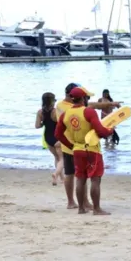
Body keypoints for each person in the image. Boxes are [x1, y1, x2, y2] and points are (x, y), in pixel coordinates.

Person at [55, 87, 114, 215]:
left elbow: (58, 134)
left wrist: (71, 145)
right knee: (95, 179)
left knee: (80, 179)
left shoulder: (66, 114)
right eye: (87, 97)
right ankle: (97, 209)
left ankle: (81, 208)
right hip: (92, 150)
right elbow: (100, 131)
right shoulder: (89, 112)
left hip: (77, 150)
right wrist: (110, 130)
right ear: (83, 98)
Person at [36, 92, 63, 185]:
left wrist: (44, 123)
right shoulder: (56, 112)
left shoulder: (40, 112)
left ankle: (61, 179)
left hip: (48, 137)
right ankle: (56, 174)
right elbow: (63, 124)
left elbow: (37, 126)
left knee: (56, 158)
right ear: (52, 101)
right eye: (54, 100)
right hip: (58, 137)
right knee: (62, 159)